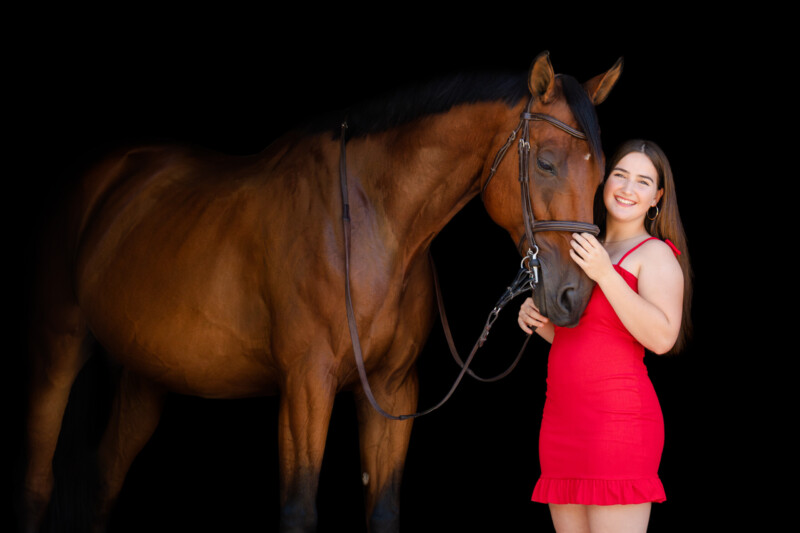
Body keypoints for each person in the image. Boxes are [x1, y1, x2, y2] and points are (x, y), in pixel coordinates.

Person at [518, 139, 692, 533]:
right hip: (561, 424)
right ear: (603, 180)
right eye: (620, 175)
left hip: (619, 426)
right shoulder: (582, 249)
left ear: (657, 198)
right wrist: (539, 320)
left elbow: (662, 338)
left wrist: (605, 273)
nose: (629, 188)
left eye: (643, 181)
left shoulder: (655, 254)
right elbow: (588, 338)